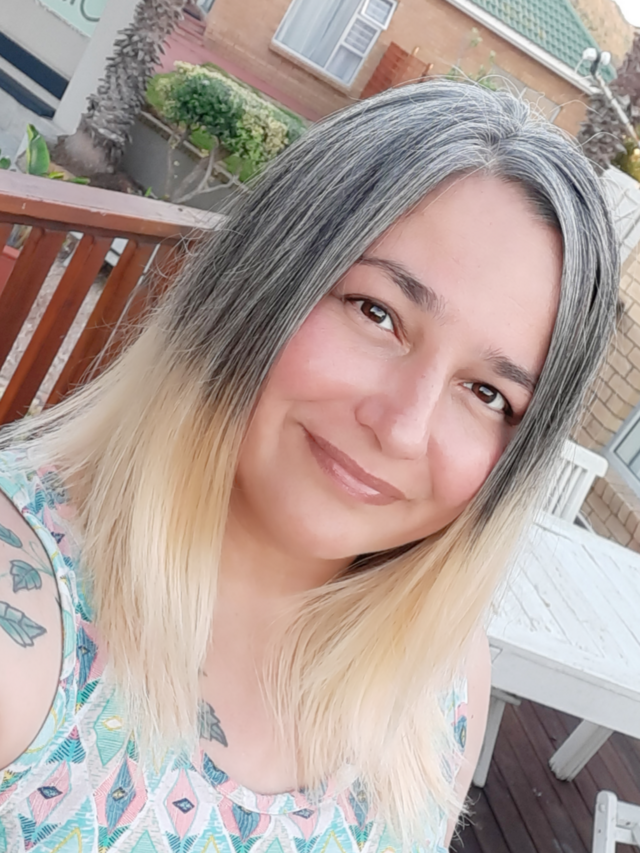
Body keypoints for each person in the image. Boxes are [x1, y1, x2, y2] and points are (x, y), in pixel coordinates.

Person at [0, 80, 619, 853]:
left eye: (488, 393)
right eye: (377, 312)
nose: (403, 427)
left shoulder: (439, 684)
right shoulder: (26, 626)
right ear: (264, 277)